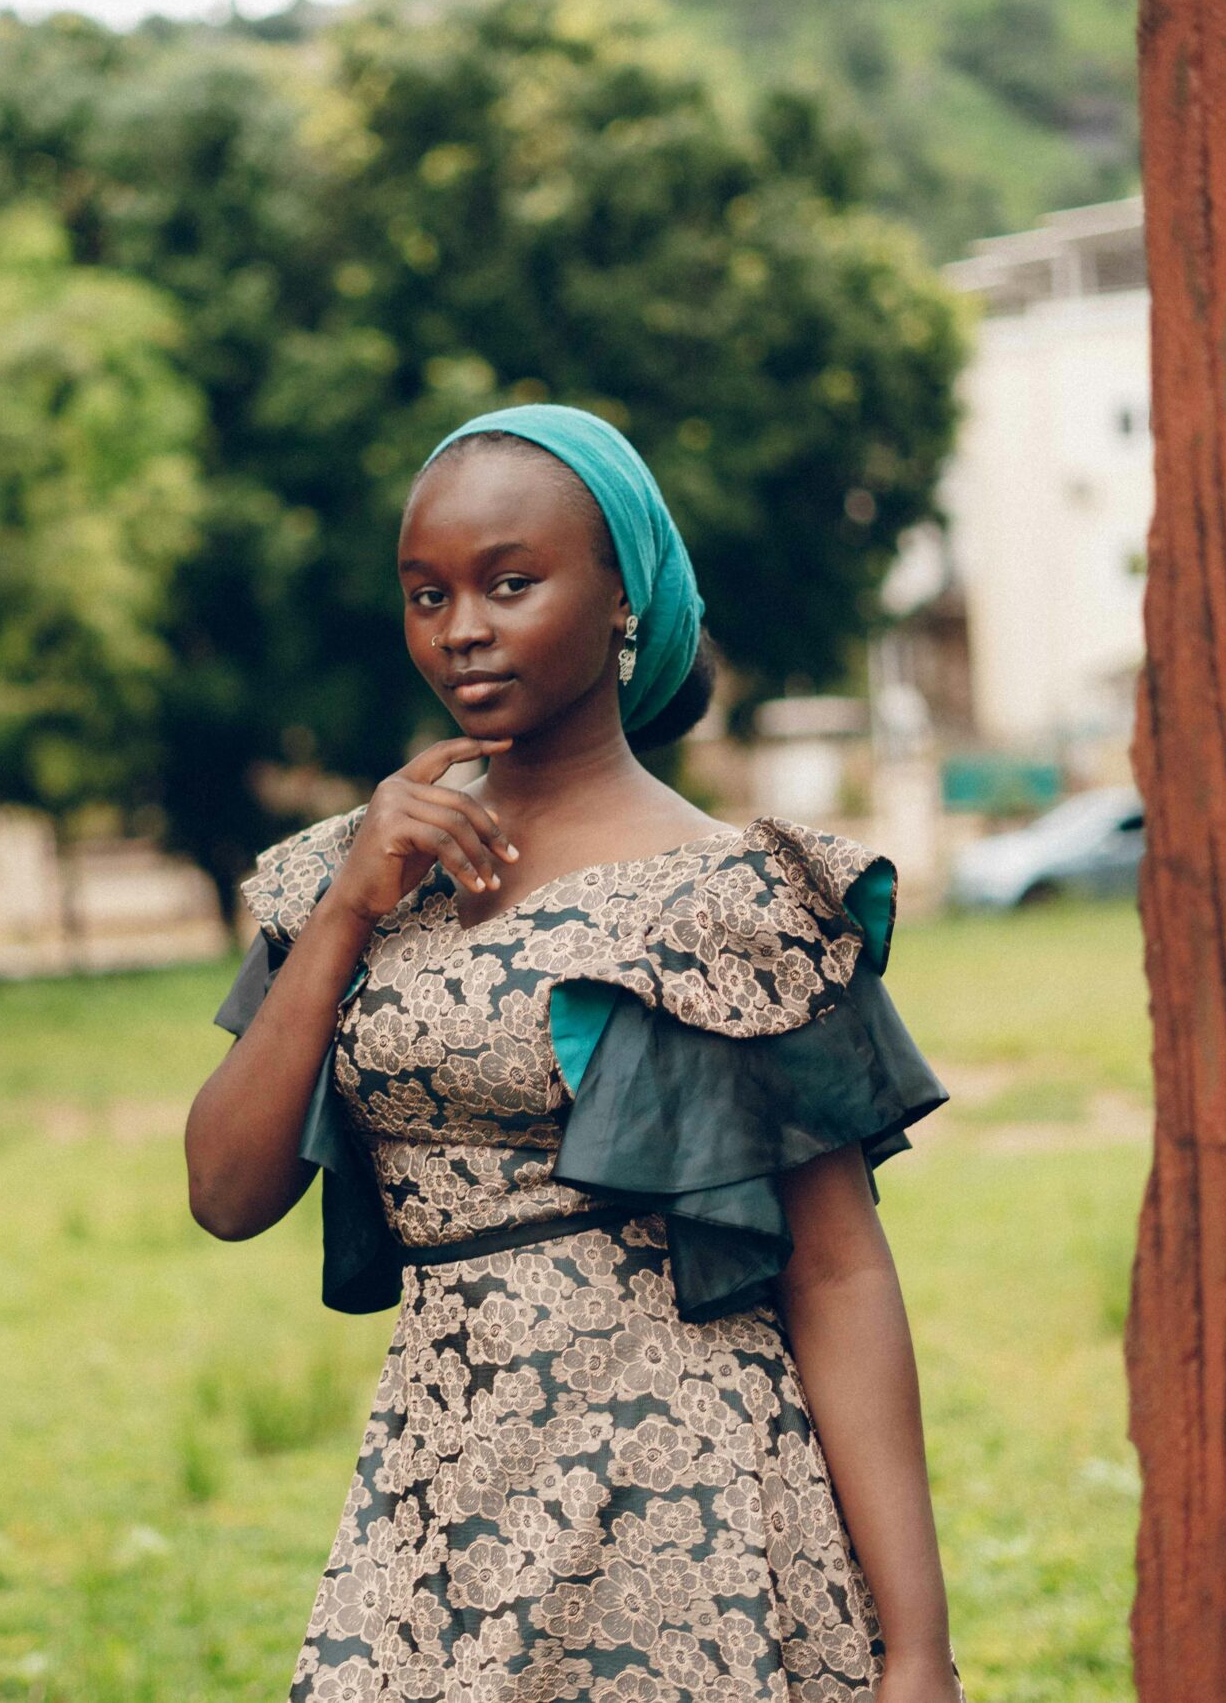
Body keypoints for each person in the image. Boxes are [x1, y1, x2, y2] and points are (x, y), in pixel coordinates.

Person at [184, 403, 965, 1702]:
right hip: (439, 1495)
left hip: (691, 1505)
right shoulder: (352, 875)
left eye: (511, 582)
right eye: (427, 595)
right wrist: (346, 915)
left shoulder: (739, 904)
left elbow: (838, 1275)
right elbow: (225, 1195)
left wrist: (918, 1651)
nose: (463, 629)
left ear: (622, 602)